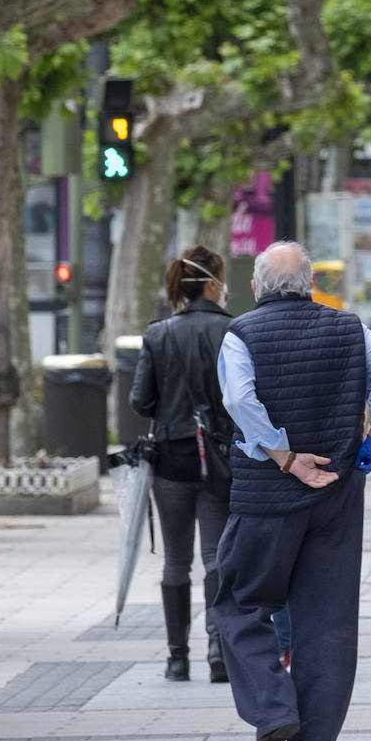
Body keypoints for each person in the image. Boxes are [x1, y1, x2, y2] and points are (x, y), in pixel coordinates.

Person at [213, 241, 371, 741]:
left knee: (239, 602)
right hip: (338, 492)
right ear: (309, 285)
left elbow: (239, 400)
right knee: (327, 619)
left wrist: (284, 456)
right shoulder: (348, 327)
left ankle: (274, 709)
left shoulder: (241, 334)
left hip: (266, 496)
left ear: (256, 288)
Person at [130, 245, 235, 684]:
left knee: (175, 561)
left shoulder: (158, 334)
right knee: (216, 557)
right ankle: (217, 650)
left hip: (170, 456)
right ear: (213, 283)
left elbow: (141, 400)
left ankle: (177, 658)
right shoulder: (233, 331)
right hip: (219, 457)